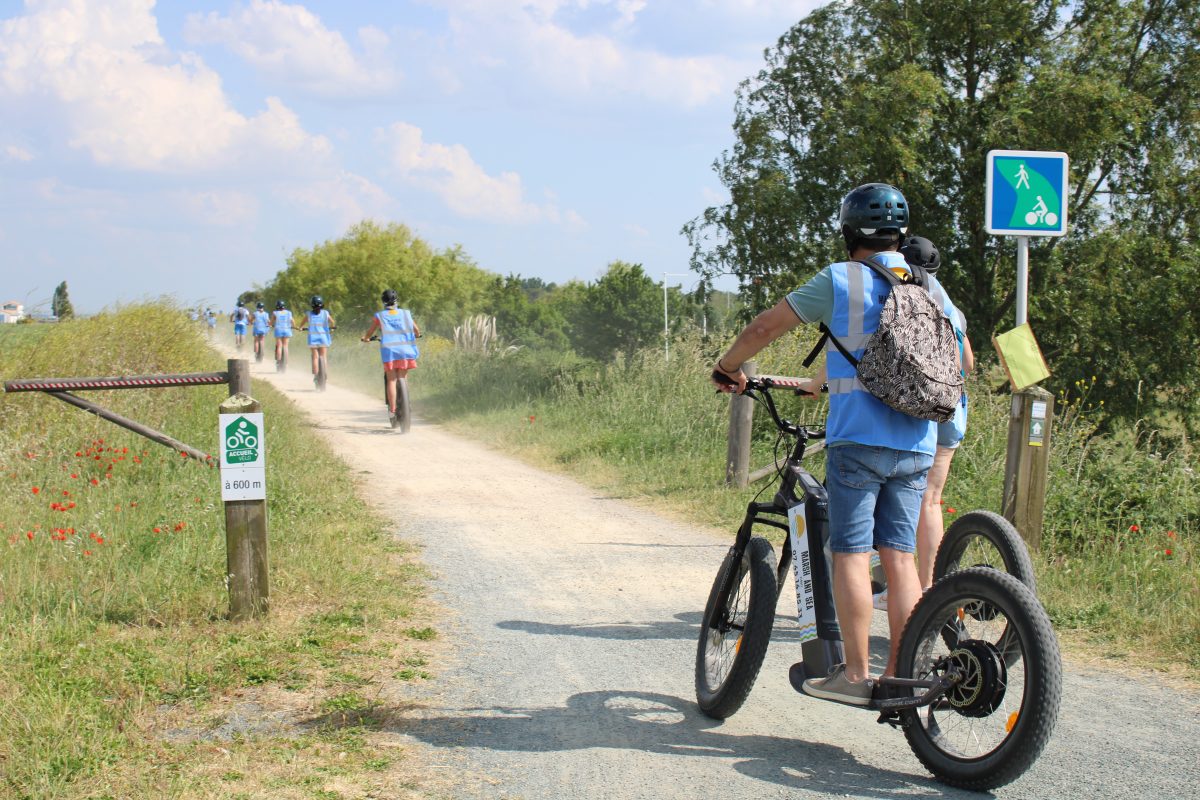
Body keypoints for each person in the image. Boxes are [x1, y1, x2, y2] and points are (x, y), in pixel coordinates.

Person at [713, 183, 961, 706]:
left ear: (848, 232)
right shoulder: (929, 287)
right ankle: (900, 671)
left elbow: (764, 327)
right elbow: (956, 355)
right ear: (899, 233)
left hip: (857, 443)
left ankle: (853, 674)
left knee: (848, 552)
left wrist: (728, 367)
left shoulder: (840, 279)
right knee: (899, 558)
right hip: (918, 441)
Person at [900, 236, 975, 591]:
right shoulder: (953, 308)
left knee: (901, 496)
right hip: (953, 408)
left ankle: (903, 585)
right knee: (931, 501)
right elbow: (968, 363)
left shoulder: (906, 297)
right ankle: (929, 588)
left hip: (920, 409)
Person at [361, 289, 421, 425]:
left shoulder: (380, 316)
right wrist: (417, 335)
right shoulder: (406, 314)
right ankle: (406, 403)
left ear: (383, 302)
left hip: (390, 352)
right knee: (403, 377)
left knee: (392, 380)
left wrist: (366, 338)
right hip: (406, 350)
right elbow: (416, 330)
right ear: (396, 300)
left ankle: (392, 411)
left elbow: (370, 331)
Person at [303, 295, 335, 389]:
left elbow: (302, 323)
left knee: (315, 357)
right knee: (323, 356)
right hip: (323, 338)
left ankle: (316, 376)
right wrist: (332, 328)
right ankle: (325, 374)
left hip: (312, 338)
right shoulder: (325, 313)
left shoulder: (309, 314)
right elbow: (332, 322)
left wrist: (300, 328)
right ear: (322, 305)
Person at [269, 300, 293, 372]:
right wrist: (294, 326)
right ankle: (286, 363)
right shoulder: (289, 313)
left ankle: (278, 362)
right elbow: (292, 321)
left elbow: (271, 322)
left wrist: (270, 325)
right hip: (287, 330)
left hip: (278, 330)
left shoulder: (275, 313)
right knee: (285, 346)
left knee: (279, 346)